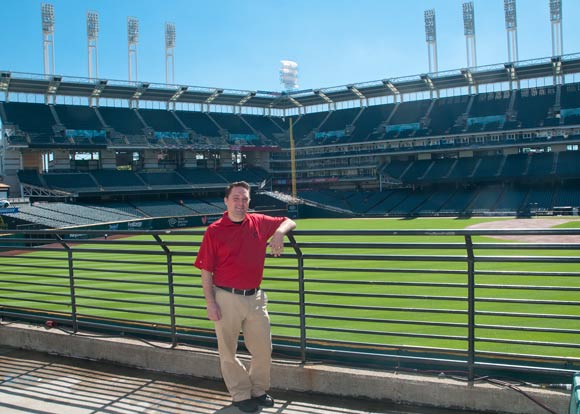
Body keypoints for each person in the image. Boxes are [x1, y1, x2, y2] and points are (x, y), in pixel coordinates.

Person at [194, 181, 296, 413]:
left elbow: (289, 220)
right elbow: (206, 270)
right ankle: (240, 394)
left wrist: (279, 233)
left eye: (245, 199)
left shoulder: (258, 221)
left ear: (249, 202)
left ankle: (259, 390)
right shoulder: (215, 230)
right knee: (228, 351)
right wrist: (210, 303)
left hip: (255, 297)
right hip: (226, 297)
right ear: (226, 201)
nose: (241, 203)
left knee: (263, 348)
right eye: (236, 198)